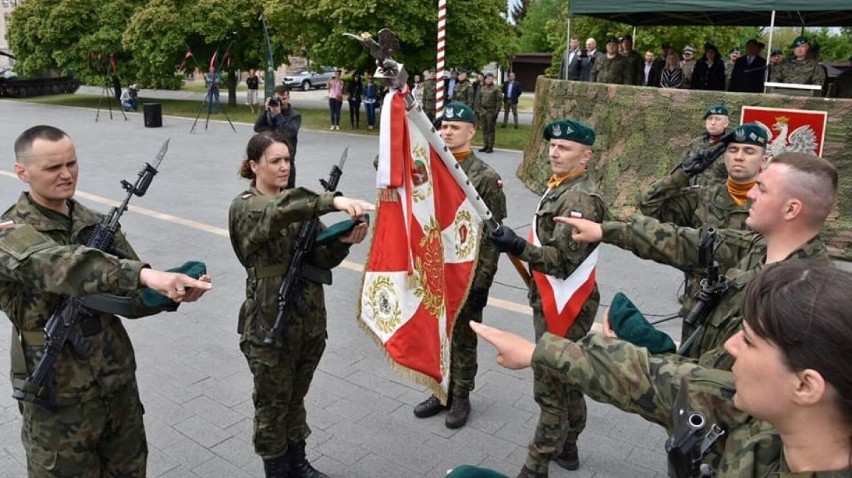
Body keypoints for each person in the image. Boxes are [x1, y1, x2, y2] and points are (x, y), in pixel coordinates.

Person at [471, 261, 852, 477]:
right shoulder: (761, 416)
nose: (730, 347)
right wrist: (538, 352)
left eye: (749, 341)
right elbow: (658, 380)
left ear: (806, 386)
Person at [2, 125, 213, 476]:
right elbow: (58, 265)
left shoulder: (94, 222)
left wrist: (171, 291)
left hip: (116, 387)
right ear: (22, 172)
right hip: (58, 399)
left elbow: (130, 296)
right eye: (53, 167)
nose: (66, 174)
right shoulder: (9, 231)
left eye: (71, 163)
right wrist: (146, 275)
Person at [556, 151, 836, 367]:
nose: (750, 194)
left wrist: (645, 354)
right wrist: (605, 230)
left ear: (791, 209)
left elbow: (716, 386)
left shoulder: (797, 299)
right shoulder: (760, 247)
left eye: (762, 189)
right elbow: (686, 241)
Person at [229, 131, 373, 478]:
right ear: (254, 165)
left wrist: (342, 240)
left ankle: (298, 463)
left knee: (295, 398)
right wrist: (331, 200)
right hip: (270, 324)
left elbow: (319, 258)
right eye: (275, 161)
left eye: (287, 160)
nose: (283, 167)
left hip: (306, 321)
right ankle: (277, 470)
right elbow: (278, 211)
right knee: (271, 405)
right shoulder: (247, 205)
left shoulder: (298, 205)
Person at [488, 119, 608, 477]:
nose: (555, 152)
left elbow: (564, 262)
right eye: (553, 145)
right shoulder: (562, 186)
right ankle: (568, 444)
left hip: (565, 304)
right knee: (567, 377)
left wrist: (518, 247)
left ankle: (536, 466)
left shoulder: (579, 199)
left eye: (565, 148)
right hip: (555, 299)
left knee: (550, 385)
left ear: (586, 156)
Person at [412, 102, 507, 430]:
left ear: (471, 132)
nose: (448, 131)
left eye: (455, 127)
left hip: (467, 273)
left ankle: (462, 395)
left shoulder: (485, 177)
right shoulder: (429, 166)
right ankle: (439, 391)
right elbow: (385, 163)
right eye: (443, 127)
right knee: (436, 334)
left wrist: (483, 281)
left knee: (463, 336)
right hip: (434, 268)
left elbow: (495, 237)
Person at [639, 123, 769, 338]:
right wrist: (682, 173)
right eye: (733, 150)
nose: (739, 157)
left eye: (749, 151)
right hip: (698, 306)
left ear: (763, 160)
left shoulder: (772, 204)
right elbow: (649, 205)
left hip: (745, 311)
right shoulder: (703, 197)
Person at [254, 85, 302, 189]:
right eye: (279, 99)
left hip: (287, 163)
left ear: (288, 98)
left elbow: (287, 133)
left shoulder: (295, 116)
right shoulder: (271, 113)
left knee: (287, 197)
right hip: (271, 161)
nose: (282, 102)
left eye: (284, 99)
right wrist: (266, 111)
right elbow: (257, 128)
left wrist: (278, 115)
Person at [682, 103, 730, 186]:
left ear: (726, 123)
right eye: (709, 119)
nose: (713, 122)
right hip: (691, 195)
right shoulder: (695, 143)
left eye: (717, 119)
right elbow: (682, 169)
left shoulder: (731, 147)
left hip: (716, 196)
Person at [475, 73, 503, 153]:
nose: (488, 80)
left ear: (493, 79)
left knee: (490, 130)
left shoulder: (496, 89)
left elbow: (499, 102)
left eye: (489, 79)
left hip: (491, 111)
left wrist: (496, 113)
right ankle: (485, 145)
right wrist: (478, 110)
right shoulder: (483, 88)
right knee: (484, 129)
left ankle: (490, 146)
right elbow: (479, 100)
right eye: (486, 79)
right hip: (483, 111)